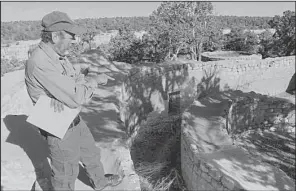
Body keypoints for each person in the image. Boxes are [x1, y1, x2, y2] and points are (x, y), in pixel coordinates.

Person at [25, 11, 123, 190]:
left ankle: (100, 182)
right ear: (55, 36)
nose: (74, 41)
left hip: (71, 116)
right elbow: (76, 96)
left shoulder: (56, 56)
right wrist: (94, 81)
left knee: (91, 153)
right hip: (57, 123)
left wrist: (79, 79)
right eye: (70, 36)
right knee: (65, 172)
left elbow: (72, 80)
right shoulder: (40, 61)